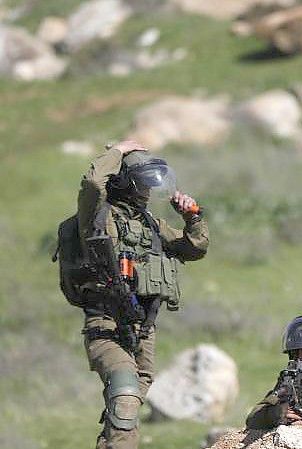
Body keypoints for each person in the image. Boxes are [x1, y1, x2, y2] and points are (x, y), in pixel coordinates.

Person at [77, 140, 209, 448]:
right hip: (106, 326)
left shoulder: (151, 224)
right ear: (124, 182)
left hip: (143, 329)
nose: (147, 191)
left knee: (129, 404)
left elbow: (195, 248)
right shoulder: (98, 217)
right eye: (141, 184)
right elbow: (94, 183)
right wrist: (118, 151)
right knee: (124, 394)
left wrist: (193, 216)